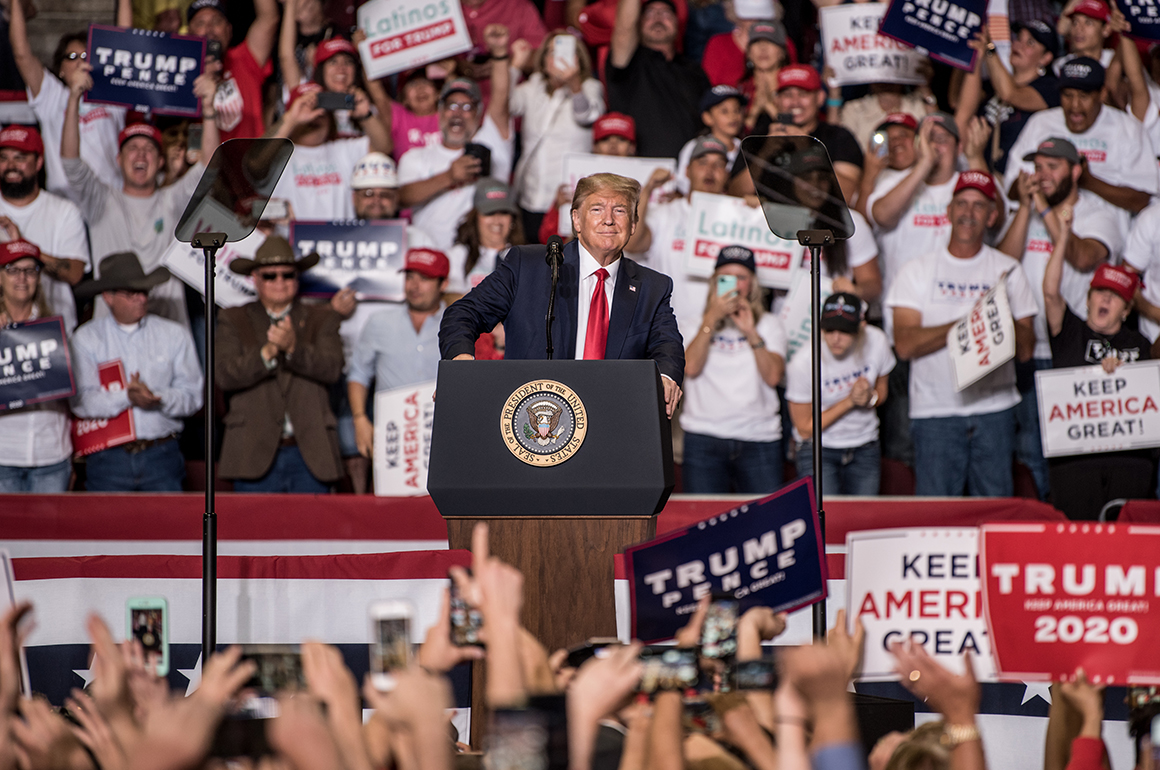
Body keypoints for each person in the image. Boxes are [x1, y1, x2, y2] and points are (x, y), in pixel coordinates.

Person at [439, 172, 686, 416]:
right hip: (532, 422)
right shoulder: (529, 266)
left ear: (633, 224)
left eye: (620, 210)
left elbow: (668, 346)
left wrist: (665, 377)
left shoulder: (652, 287)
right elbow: (463, 313)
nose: (608, 220)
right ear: (576, 220)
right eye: (597, 209)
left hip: (611, 421)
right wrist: (461, 363)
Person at [886, 171, 1037, 497]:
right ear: (949, 211)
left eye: (979, 206)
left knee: (994, 518)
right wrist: (975, 322)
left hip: (994, 410)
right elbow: (905, 344)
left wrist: (1001, 323)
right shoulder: (917, 269)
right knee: (935, 519)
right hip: (935, 412)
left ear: (993, 215)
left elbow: (1026, 349)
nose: (969, 213)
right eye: (962, 204)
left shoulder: (1008, 269)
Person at [998, 137, 1122, 500]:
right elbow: (1001, 265)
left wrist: (1042, 207)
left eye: (1053, 166)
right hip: (1027, 349)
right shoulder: (1026, 209)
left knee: (1070, 453)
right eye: (1038, 167)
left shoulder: (1098, 213)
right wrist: (1025, 208)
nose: (1043, 175)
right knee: (1030, 451)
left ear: (1076, 170)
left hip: (1074, 349)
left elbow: (1083, 257)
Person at [62, 62, 220, 329]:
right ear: (118, 159)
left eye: (149, 149)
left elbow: (210, 166)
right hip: (111, 329)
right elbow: (70, 161)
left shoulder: (172, 200)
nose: (141, 155)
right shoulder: (100, 199)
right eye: (132, 148)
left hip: (168, 324)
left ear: (160, 163)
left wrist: (208, 110)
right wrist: (74, 97)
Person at [1043, 216, 1155, 519]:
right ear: (1088, 298)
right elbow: (1051, 293)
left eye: (1116, 296)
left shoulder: (1141, 344)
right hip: (1075, 464)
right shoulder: (1069, 333)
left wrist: (1126, 376)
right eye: (1100, 292)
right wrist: (1064, 235)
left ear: (1127, 309)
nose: (1106, 297)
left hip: (1128, 462)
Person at [216, 236, 344, 493]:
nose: (280, 282)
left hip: (310, 451)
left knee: (313, 531)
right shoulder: (233, 318)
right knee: (252, 532)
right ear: (255, 278)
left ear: (297, 278)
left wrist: (294, 349)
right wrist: (269, 352)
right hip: (251, 449)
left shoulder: (323, 318)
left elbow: (332, 369)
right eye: (270, 276)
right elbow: (225, 376)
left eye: (288, 275)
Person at [70, 253, 203, 492]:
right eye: (131, 293)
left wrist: (158, 397)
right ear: (108, 297)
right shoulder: (86, 339)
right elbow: (81, 401)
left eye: (144, 291)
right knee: (108, 528)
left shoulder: (173, 334)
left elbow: (193, 396)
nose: (141, 298)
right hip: (108, 457)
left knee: (166, 528)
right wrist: (127, 397)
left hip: (162, 453)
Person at [679, 246, 787, 493]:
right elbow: (691, 368)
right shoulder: (691, 325)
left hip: (759, 438)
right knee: (703, 526)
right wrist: (710, 321)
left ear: (752, 285)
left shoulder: (770, 325)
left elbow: (773, 377)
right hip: (703, 437)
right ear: (715, 282)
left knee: (765, 524)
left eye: (742, 278)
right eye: (726, 278)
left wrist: (750, 331)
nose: (735, 285)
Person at [1005, 58, 1159, 229]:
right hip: (1039, 230)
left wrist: (1089, 182)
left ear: (1102, 94)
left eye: (1084, 96)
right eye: (1067, 96)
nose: (1075, 106)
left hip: (1103, 233)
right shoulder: (1041, 123)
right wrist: (1042, 180)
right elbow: (1011, 190)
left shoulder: (1128, 129)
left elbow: (1142, 200)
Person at [398, 47, 514, 252]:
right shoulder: (415, 157)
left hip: (480, 267)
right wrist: (450, 177)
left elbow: (501, 97)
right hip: (431, 264)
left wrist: (499, 52)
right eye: (452, 105)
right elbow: (401, 197)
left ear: (479, 115)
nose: (458, 113)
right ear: (440, 111)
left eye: (467, 107)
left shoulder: (491, 143)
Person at [7, 0, 126, 199]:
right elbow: (21, 54)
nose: (79, 61)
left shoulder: (111, 94)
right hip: (65, 201)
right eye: (71, 56)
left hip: (109, 201)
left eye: (85, 55)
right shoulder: (51, 95)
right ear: (60, 69)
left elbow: (125, 46)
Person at [786, 292, 894, 496]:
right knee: (825, 519)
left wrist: (870, 398)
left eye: (845, 331)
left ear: (861, 328)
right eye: (829, 330)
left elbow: (882, 391)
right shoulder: (803, 362)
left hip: (865, 446)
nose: (836, 338)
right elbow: (805, 428)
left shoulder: (877, 341)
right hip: (818, 450)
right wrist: (850, 402)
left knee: (864, 520)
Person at [348, 248, 450, 461]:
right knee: (390, 495)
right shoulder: (379, 322)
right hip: (392, 434)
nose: (415, 285)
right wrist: (359, 419)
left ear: (444, 284)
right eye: (409, 277)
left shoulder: (457, 325)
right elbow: (358, 373)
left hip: (445, 432)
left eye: (425, 278)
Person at [509, 31, 605, 240]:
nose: (560, 58)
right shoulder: (532, 87)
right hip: (531, 195)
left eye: (568, 53)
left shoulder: (590, 87)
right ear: (543, 60)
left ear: (579, 59)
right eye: (552, 53)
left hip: (567, 200)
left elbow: (587, 115)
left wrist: (574, 84)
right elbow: (504, 104)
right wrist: (515, 66)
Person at [630, 135, 730, 332]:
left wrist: (758, 215)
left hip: (721, 333)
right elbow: (633, 243)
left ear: (726, 174)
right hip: (668, 331)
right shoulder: (666, 213)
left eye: (719, 165)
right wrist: (647, 189)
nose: (710, 171)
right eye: (703, 163)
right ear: (687, 171)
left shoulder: (740, 219)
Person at [0, 125, 88, 333]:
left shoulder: (64, 211)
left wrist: (24, 248)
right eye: (3, 158)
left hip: (55, 332)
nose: (11, 165)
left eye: (20, 157)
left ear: (39, 162)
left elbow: (75, 274)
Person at [0, 240, 72, 493]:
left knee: (50, 533)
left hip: (51, 454)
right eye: (12, 269)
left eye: (30, 270)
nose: (22, 278)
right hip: (3, 455)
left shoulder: (56, 330)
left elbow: (74, 393)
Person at [269, 82, 391, 220]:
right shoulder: (276, 155)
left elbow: (382, 149)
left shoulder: (343, 150)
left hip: (340, 240)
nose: (314, 115)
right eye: (306, 108)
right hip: (288, 240)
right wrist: (291, 120)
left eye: (322, 109)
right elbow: (253, 161)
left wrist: (365, 115)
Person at [607, 0, 711, 158]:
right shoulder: (630, 63)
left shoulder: (694, 71)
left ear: (678, 24)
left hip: (685, 174)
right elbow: (624, 30)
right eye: (649, 14)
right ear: (639, 23)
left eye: (666, 13)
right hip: (635, 172)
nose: (657, 18)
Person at [956, 20, 1059, 174]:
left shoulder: (1051, 87)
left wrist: (990, 48)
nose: (1018, 45)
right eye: (1018, 38)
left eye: (1030, 43)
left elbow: (1010, 94)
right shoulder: (993, 86)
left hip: (1015, 183)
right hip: (980, 174)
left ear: (1045, 58)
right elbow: (962, 115)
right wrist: (976, 56)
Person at [753, 64, 863, 202]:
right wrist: (765, 153)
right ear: (777, 101)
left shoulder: (838, 137)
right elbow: (736, 191)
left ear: (820, 98)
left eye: (803, 94)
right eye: (787, 95)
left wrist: (806, 147)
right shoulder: (761, 135)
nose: (795, 102)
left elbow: (848, 195)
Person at [187, 0, 279, 141]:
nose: (209, 28)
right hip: (203, 160)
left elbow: (269, 18)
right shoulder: (180, 71)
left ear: (229, 30)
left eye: (216, 21)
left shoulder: (244, 58)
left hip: (249, 159)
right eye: (200, 23)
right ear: (189, 34)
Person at [447, 178, 526, 296]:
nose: (497, 220)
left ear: (513, 218)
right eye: (490, 213)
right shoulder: (458, 255)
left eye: (504, 212)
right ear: (475, 216)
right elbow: (449, 299)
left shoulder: (525, 257)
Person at [674, 85, 745, 190]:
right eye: (724, 111)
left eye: (737, 110)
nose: (733, 116)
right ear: (707, 117)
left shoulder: (746, 148)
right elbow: (682, 185)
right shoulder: (693, 146)